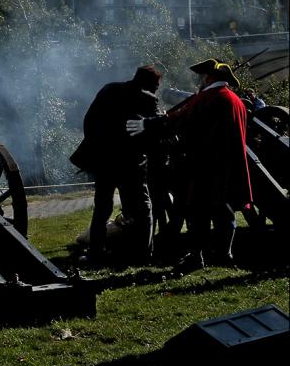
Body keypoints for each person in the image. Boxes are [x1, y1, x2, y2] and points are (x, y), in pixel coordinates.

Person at [128, 58, 251, 272]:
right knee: (224, 211)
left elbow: (180, 119)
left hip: (206, 166)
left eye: (201, 77)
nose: (199, 81)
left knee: (197, 213)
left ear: (209, 77)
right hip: (229, 164)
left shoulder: (208, 98)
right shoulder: (235, 100)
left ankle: (196, 257)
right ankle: (224, 253)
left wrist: (148, 124)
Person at [77, 65, 163, 265]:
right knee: (143, 208)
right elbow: (152, 135)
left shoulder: (109, 90)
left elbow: (89, 122)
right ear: (150, 84)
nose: (157, 89)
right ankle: (143, 253)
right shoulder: (148, 100)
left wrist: (99, 147)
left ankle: (96, 253)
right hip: (132, 164)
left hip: (105, 161)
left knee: (102, 210)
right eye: (156, 86)